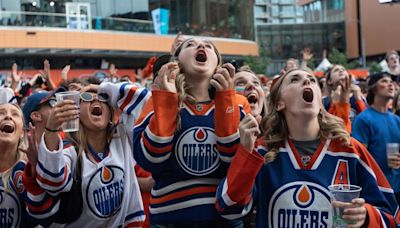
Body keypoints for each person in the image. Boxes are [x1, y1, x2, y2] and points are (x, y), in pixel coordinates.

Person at [216, 68, 399, 227]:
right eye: (295, 80)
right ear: (280, 103)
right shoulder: (263, 152)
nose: (306, 81)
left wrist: (367, 216)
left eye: (312, 80)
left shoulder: (350, 150)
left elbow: (393, 216)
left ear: (320, 102)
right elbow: (228, 209)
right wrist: (246, 153)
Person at [132, 38, 250, 226]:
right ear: (176, 62)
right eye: (190, 45)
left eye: (209, 46)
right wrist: (168, 101)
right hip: (169, 221)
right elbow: (151, 159)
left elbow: (233, 160)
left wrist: (226, 100)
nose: (202, 46)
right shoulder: (157, 102)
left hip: (222, 221)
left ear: (218, 66)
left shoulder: (236, 107)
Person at [35, 83, 148, 227]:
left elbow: (145, 100)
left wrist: (104, 88)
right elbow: (52, 183)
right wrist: (51, 131)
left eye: (102, 98)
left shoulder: (122, 136)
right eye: (86, 97)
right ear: (76, 111)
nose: (96, 100)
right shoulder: (70, 150)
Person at [0, 88, 57, 227]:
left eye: (15, 114)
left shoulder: (24, 172)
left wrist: (33, 170)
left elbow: (43, 218)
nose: (8, 116)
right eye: (1, 113)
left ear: (21, 132)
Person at [352, 72, 400, 203]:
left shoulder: (397, 120)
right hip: (376, 189)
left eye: (391, 81)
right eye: (384, 81)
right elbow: (359, 159)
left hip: (397, 187)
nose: (390, 84)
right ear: (373, 88)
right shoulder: (363, 119)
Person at [323, 64, 366, 132]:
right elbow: (326, 125)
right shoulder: (324, 101)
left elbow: (367, 120)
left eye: (343, 69)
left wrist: (358, 99)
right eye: (336, 70)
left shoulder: (357, 96)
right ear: (329, 81)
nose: (341, 71)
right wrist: (334, 104)